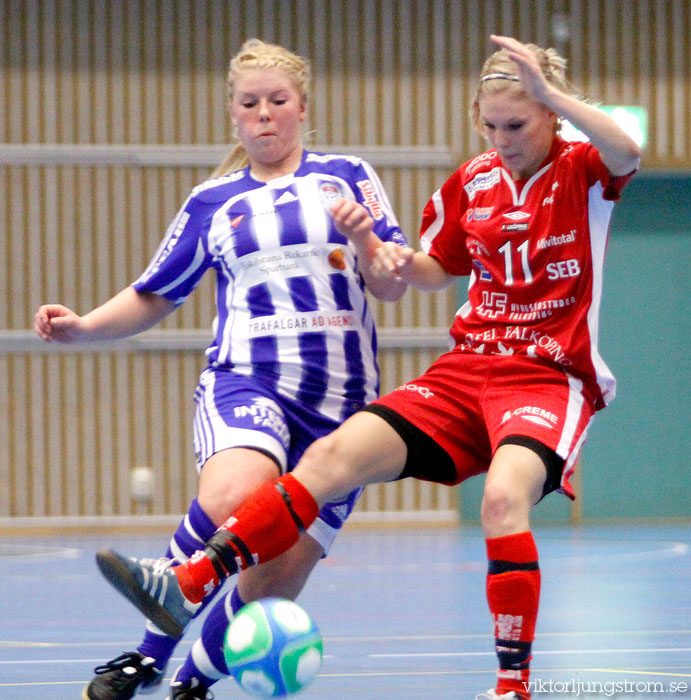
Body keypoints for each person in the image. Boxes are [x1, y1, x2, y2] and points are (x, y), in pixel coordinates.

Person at [92, 35, 641, 700]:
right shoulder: (471, 182)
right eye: (490, 125)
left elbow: (628, 150)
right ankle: (188, 584)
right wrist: (386, 256)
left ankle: (510, 687)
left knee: (502, 499)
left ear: (550, 116)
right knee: (329, 458)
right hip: (465, 370)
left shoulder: (583, 166)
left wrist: (552, 92)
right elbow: (434, 269)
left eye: (518, 125)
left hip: (547, 377)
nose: (503, 140)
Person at [34, 39, 409, 700]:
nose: (263, 114)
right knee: (238, 494)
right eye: (249, 103)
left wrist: (366, 242)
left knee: (274, 576)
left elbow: (391, 285)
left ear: (302, 108)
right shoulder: (214, 201)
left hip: (342, 407)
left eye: (277, 101)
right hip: (249, 379)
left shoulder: (347, 175)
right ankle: (148, 654)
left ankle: (187, 682)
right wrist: (85, 325)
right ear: (232, 114)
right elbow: (155, 293)